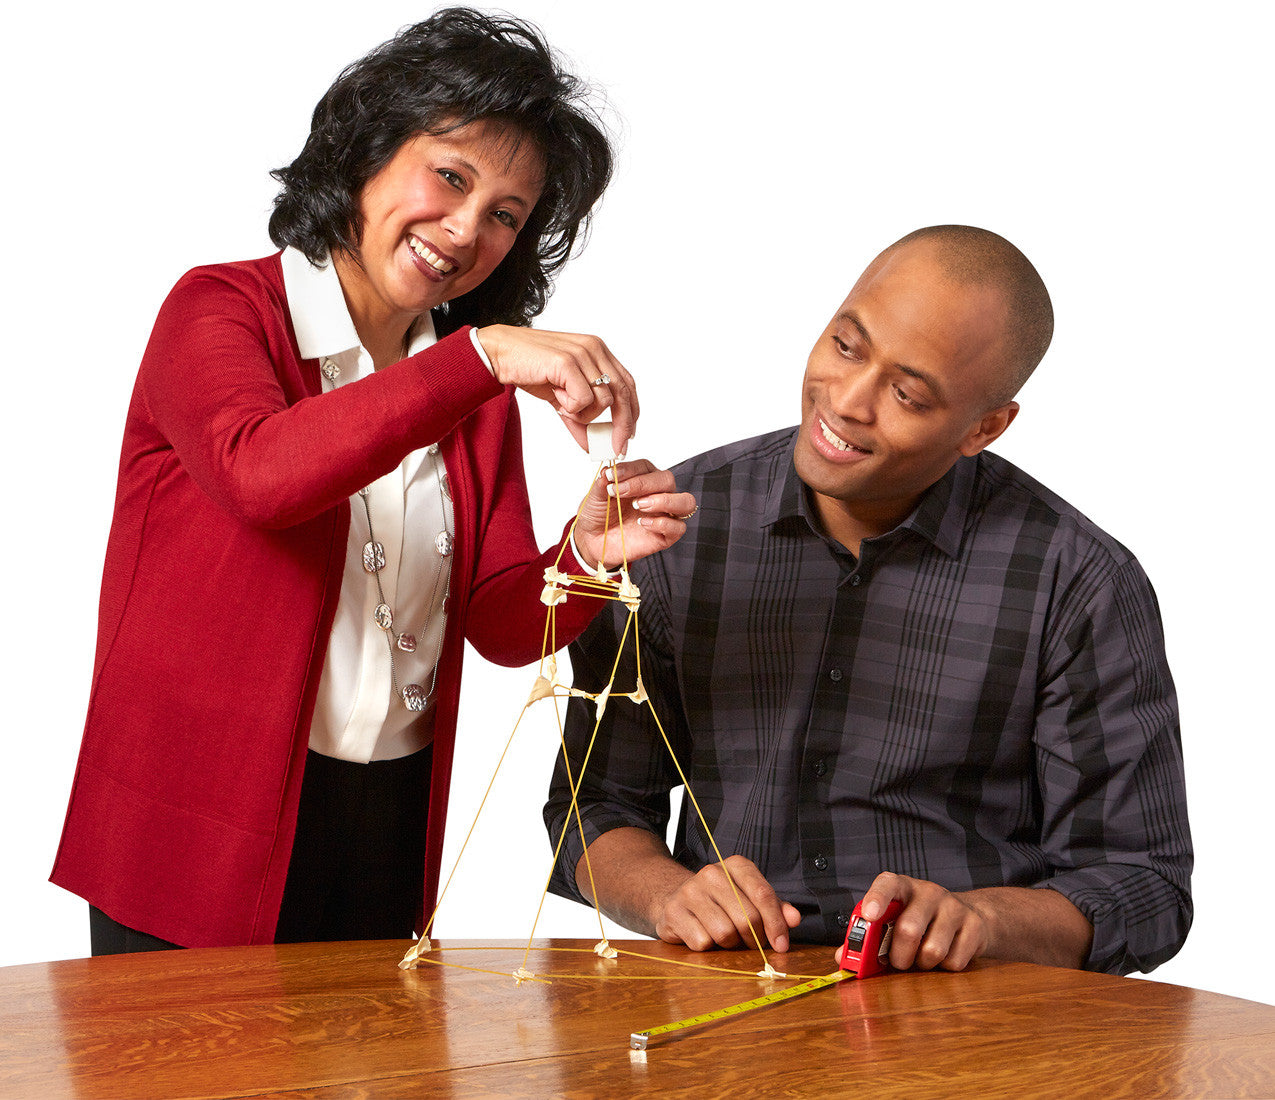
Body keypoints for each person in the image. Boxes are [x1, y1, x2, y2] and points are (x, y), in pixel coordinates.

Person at [51, 8, 695, 954]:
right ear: (367, 147)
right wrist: (478, 359)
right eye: (450, 176)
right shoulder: (220, 311)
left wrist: (586, 556)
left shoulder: (469, 391)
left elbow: (504, 626)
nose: (466, 229)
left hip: (383, 823)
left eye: (506, 216)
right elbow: (263, 476)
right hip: (194, 825)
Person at [545, 225, 1191, 977]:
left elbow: (1142, 885)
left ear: (983, 427)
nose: (847, 402)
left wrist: (978, 922)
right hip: (725, 1003)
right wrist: (669, 897)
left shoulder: (1076, 580)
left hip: (973, 1021)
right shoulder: (674, 530)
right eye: (846, 346)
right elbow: (593, 810)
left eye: (908, 394)